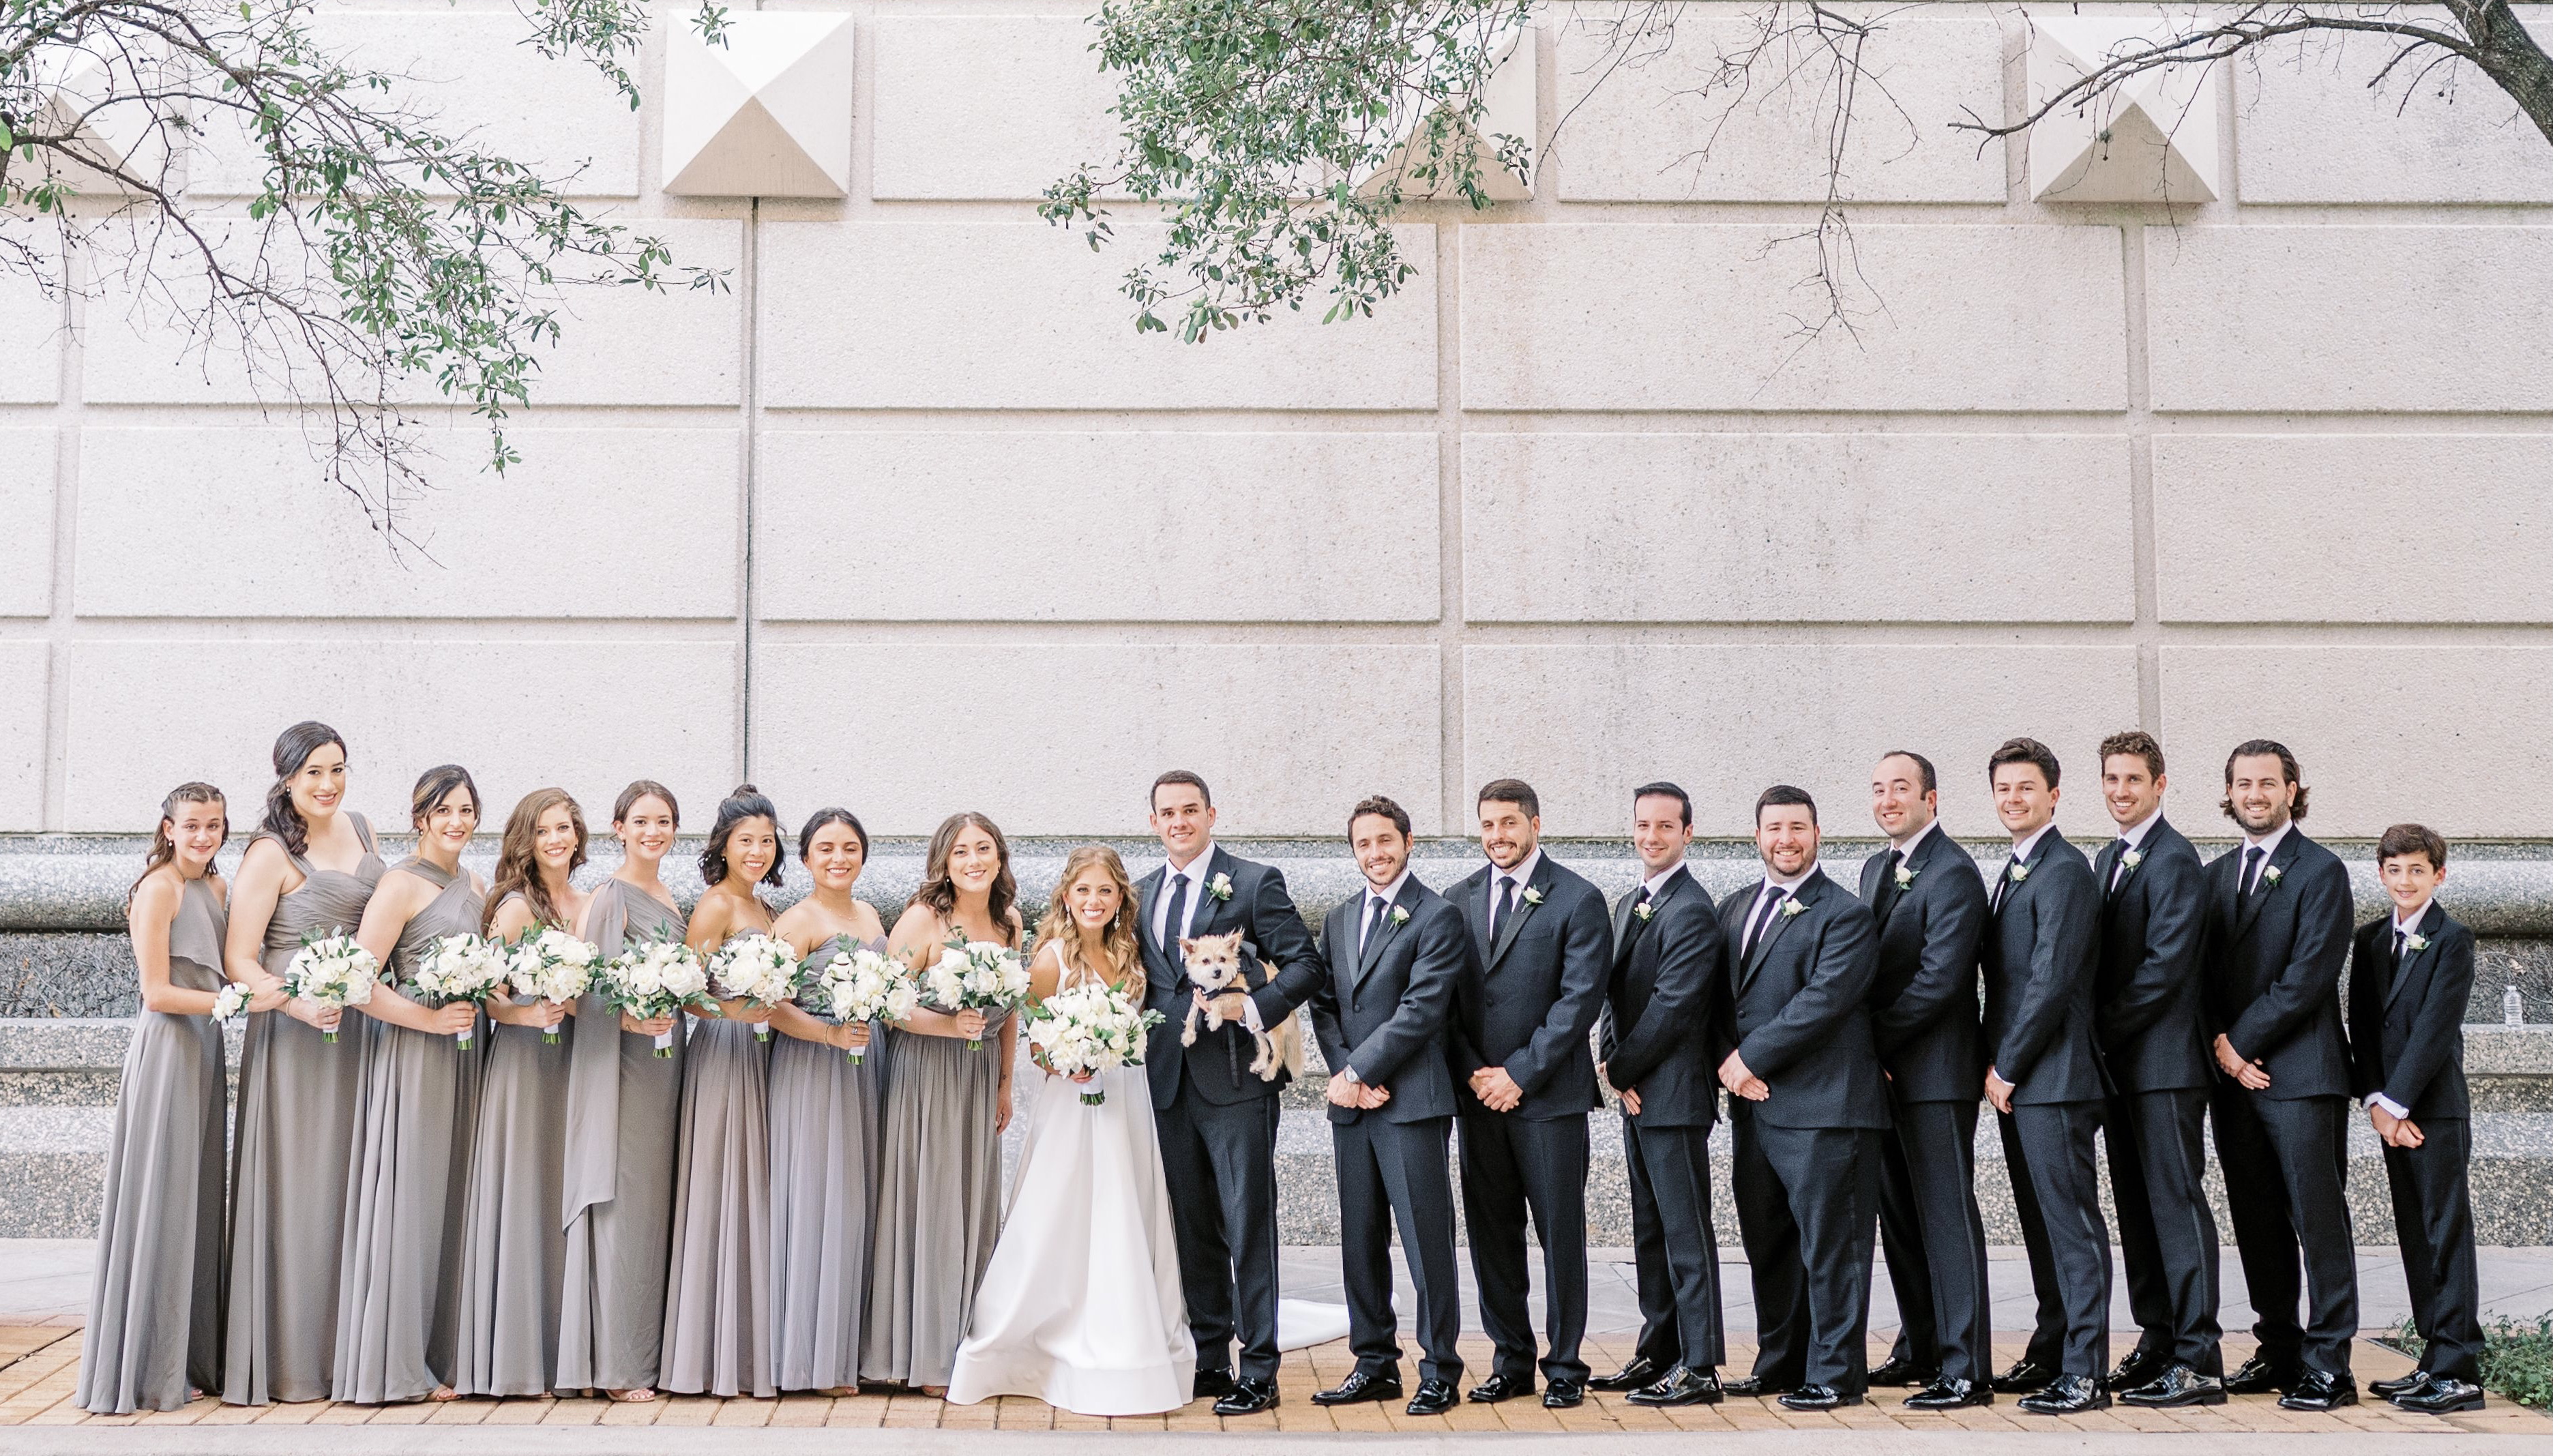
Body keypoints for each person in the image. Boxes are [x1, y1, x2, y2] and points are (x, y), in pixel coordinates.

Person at [949, 846, 1194, 1416]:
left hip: (1125, 1100)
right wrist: (1068, 1058)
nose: (1093, 901)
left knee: (1123, 1208)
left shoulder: (1130, 953)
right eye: (1083, 890)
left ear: (1119, 899)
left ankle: (1127, 1324)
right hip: (1070, 1105)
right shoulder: (1050, 958)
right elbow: (1034, 1039)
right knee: (1060, 1211)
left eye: (1105, 891)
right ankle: (1031, 1336)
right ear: (1066, 896)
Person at [1134, 771, 1325, 1415]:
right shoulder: (1141, 893)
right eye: (1168, 812)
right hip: (1167, 1082)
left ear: (1211, 813)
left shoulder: (1252, 881)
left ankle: (1261, 1366)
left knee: (1248, 1222)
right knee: (1192, 1226)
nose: (1179, 821)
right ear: (1153, 821)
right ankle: (1211, 1356)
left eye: (1191, 809)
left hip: (1239, 1082)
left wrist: (1251, 1009)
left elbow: (1304, 963)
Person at [223, 721, 384, 1405]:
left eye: (338, 768)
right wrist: (291, 1003)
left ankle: (355, 1349)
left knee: (359, 1184)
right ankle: (294, 1357)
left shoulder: (364, 827)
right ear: (287, 777)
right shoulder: (268, 852)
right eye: (314, 771)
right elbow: (238, 955)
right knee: (304, 1187)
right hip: (296, 1038)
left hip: (362, 1032)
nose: (328, 783)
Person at [1715, 785, 1885, 1411]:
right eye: (1773, 828)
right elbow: (1714, 1001)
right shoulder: (1733, 908)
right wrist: (1727, 1066)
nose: (1785, 839)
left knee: (1831, 1245)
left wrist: (1748, 1058)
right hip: (1754, 1107)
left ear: (1818, 834)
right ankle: (1781, 1359)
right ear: (1755, 835)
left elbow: (1824, 999)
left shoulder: (1844, 914)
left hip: (1826, 1108)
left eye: (1797, 828)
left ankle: (1837, 1372)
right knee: (1770, 1243)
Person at [2201, 740, 2360, 1412]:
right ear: (2229, 792)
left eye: (2267, 782)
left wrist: (2237, 1041)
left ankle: (2330, 1364)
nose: (2254, 793)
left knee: (2316, 1220)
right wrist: (2221, 1048)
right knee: (2256, 1217)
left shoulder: (2320, 871)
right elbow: (2198, 969)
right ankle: (2279, 1347)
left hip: (2298, 1072)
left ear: (2292, 790)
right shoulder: (2213, 875)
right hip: (2233, 1079)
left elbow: (2306, 976)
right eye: (2242, 782)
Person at [1447, 778, 1610, 1410]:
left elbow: (1579, 1002)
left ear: (1535, 825)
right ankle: (1510, 1359)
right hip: (1478, 1099)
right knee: (1492, 1234)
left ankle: (1565, 1363)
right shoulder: (1455, 901)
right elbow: (1445, 1002)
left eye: (1509, 823)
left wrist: (1517, 1073)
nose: (1497, 837)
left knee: (1559, 1233)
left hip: (1548, 1099)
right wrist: (1474, 1073)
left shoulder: (1578, 898)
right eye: (1488, 825)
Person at [1304, 796, 1469, 1417]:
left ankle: (1439, 1369)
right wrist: (1344, 1073)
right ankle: (1373, 1363)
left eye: (1384, 840)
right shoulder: (1339, 917)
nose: (1374, 853)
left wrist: (1358, 1069)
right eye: (1363, 844)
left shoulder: (1437, 915)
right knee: (1360, 1238)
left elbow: (1422, 1009)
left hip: (1411, 1102)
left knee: (1427, 1240)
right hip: (1354, 1105)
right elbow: (1323, 1002)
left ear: (1407, 840)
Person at [76, 784, 233, 1414]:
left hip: (207, 1053)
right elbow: (157, 992)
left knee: (195, 1199)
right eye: (192, 825)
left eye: (214, 825)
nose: (203, 836)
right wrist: (229, 1002)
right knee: (160, 1198)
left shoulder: (219, 890)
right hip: (169, 1050)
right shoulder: (158, 889)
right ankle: (146, 1364)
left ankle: (188, 1353)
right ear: (168, 828)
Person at [336, 765, 489, 1403]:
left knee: (455, 1199)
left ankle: (444, 1351)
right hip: (416, 1054)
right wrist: (427, 1018)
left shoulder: (476, 883)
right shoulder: (399, 884)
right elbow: (357, 983)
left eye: (466, 810)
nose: (456, 822)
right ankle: (398, 1363)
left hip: (467, 1054)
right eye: (443, 810)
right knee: (413, 1198)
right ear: (420, 816)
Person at [864, 812, 1021, 1395]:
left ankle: (967, 1341)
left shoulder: (1009, 922)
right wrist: (948, 1026)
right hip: (926, 1073)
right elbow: (886, 1004)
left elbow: (1011, 1010)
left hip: (979, 1079)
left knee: (971, 1201)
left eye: (984, 848)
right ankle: (925, 1353)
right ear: (944, 863)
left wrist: (1005, 1082)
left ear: (999, 857)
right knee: (930, 1201)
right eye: (961, 852)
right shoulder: (923, 919)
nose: (974, 860)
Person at [2089, 732, 2223, 1408]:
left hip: (2164, 1065)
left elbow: (2162, 969)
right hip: (2119, 1069)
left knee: (2174, 1204)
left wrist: (2096, 1027)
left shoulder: (2173, 859)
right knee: (2137, 1209)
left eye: (2132, 778)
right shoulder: (2105, 857)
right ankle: (2158, 1335)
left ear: (2159, 784)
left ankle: (2197, 1355)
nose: (2119, 789)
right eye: (2110, 777)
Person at [1977, 739, 2111, 1416]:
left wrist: (2006, 1064)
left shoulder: (2062, 869)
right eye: (2003, 788)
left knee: (2071, 1226)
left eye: (2025, 787)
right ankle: (2055, 1345)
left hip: (2052, 1077)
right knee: (2039, 1224)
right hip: (2024, 1081)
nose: (2012, 798)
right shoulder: (2015, 868)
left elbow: (2049, 980)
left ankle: (2086, 1372)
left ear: (2054, 795)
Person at [1857, 752, 1993, 1410]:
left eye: (1900, 788)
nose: (1887, 799)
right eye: (1879, 789)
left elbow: (1941, 980)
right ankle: (1921, 1344)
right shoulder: (1873, 868)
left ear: (1930, 799)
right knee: (1900, 1219)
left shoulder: (1953, 872)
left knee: (1944, 1217)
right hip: (1881, 1078)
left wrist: (1871, 1040)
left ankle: (1965, 1367)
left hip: (1935, 1073)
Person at [451, 788, 593, 1398]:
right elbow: (491, 995)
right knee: (524, 1192)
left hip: (572, 1064)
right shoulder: (514, 906)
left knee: (563, 1193)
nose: (557, 839)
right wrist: (529, 1016)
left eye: (565, 828)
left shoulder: (587, 902)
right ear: (526, 842)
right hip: (525, 1062)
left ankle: (565, 1350)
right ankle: (514, 1355)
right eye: (544, 831)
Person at [1591, 782, 1726, 1409]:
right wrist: (1613, 1065)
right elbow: (1615, 995)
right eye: (1643, 825)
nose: (1651, 836)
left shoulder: (1693, 909)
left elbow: (1674, 1007)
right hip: (1636, 1091)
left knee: (1685, 1232)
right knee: (1650, 1230)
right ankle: (1658, 1349)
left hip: (1671, 1095)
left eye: (1664, 827)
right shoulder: (1630, 902)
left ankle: (1700, 1365)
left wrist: (1620, 1070)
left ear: (1687, 833)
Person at [558, 780, 690, 1402]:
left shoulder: (668, 894)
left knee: (655, 1204)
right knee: (625, 1203)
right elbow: (587, 989)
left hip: (667, 1063)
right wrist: (633, 1019)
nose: (653, 831)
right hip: (627, 1066)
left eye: (663, 821)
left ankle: (648, 1348)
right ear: (618, 827)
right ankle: (616, 1364)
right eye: (641, 820)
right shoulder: (611, 896)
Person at [2349, 824, 2485, 1415]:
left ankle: (2458, 1368)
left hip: (2433, 1111)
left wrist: (2396, 1105)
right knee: (2413, 1234)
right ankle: (2432, 1357)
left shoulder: (2453, 939)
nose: (2405, 881)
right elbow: (2362, 1024)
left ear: (2438, 875)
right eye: (2394, 870)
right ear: (2380, 873)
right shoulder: (2370, 939)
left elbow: (2434, 1028)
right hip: (2391, 1112)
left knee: (2444, 1233)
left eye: (2416, 870)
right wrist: (2376, 1101)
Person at [661, 786, 786, 1399]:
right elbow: (688, 990)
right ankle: (706, 1352)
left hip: (760, 1054)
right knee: (721, 1187)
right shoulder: (715, 906)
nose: (758, 851)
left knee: (752, 1191)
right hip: (724, 1052)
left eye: (766, 841)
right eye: (747, 841)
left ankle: (746, 1341)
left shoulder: (764, 908)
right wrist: (736, 1012)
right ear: (724, 847)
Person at [765, 809, 887, 1397]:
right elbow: (770, 1004)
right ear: (807, 857)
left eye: (849, 847)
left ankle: (844, 1348)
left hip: (863, 1069)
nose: (838, 858)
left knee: (853, 1200)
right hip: (813, 1068)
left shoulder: (869, 914)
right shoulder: (797, 920)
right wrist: (828, 1034)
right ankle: (805, 1358)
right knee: (816, 1199)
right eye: (825, 848)